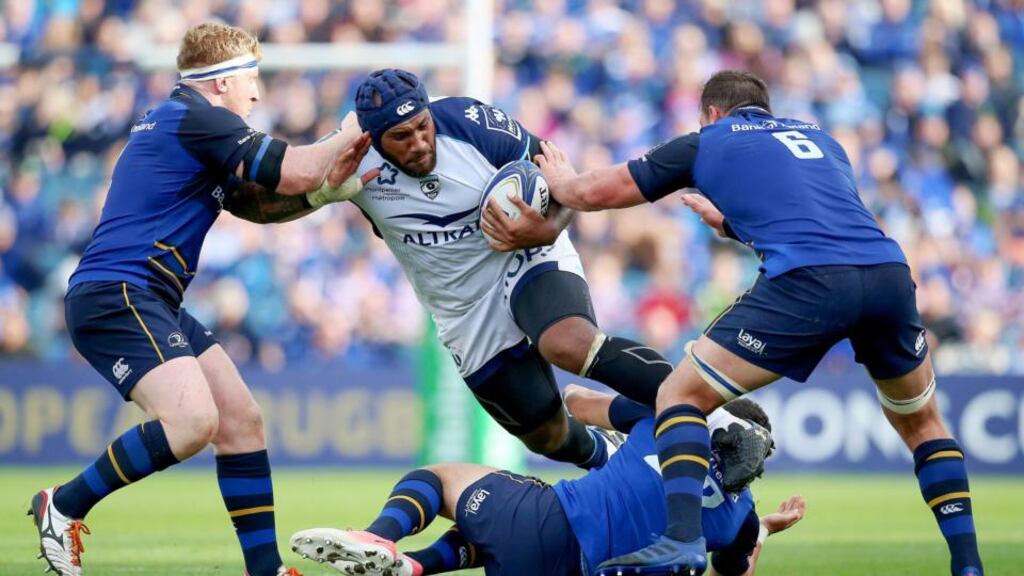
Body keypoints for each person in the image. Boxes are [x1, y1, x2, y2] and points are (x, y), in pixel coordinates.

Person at [536, 70, 983, 576]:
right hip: (888, 273)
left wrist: (563, 184)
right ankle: (968, 565)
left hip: (810, 280)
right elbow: (812, 214)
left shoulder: (709, 140)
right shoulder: (823, 139)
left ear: (712, 113)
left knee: (679, 395)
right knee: (924, 425)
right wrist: (728, 224)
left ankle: (682, 540)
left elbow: (603, 192)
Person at [28, 22, 376, 576]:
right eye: (251, 78)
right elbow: (295, 170)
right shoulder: (198, 119)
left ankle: (264, 570)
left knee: (242, 422)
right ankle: (63, 505)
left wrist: (328, 192)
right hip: (118, 292)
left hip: (149, 295)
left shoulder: (191, 126)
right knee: (193, 423)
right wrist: (358, 129)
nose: (257, 92)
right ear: (220, 83)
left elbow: (262, 206)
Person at [344, 68, 676, 469]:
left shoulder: (471, 124)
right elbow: (277, 199)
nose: (418, 142)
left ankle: (718, 413)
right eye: (401, 136)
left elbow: (561, 178)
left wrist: (548, 227)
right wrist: (322, 189)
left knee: (567, 343)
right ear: (375, 139)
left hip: (525, 253)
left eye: (422, 126)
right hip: (463, 308)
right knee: (546, 436)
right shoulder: (351, 163)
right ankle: (616, 457)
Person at [288, 385, 801, 576]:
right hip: (570, 566)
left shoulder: (664, 418)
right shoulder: (741, 514)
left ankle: (380, 536)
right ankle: (415, 567)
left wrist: (635, 413)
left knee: (440, 478)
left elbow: (576, 401)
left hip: (549, 526)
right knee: (490, 530)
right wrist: (766, 531)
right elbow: (734, 569)